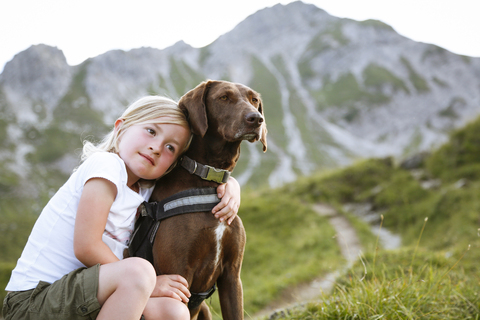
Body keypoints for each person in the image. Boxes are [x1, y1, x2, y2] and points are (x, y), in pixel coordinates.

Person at [2, 96, 241, 320]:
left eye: (171, 148)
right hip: (33, 302)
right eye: (151, 131)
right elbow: (86, 247)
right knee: (138, 272)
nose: (157, 147)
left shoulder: (145, 190)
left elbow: (194, 177)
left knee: (174, 311)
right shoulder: (106, 166)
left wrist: (230, 183)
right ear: (121, 127)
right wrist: (151, 283)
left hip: (86, 296)